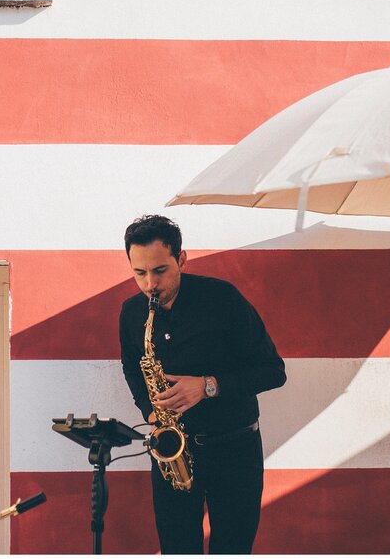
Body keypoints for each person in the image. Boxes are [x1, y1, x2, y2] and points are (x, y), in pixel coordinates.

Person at [118, 214, 286, 554]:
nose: (150, 284)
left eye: (160, 270)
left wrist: (208, 385)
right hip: (172, 453)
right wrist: (150, 411)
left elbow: (273, 370)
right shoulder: (132, 313)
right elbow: (132, 367)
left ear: (181, 259)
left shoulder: (223, 300)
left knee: (232, 549)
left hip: (234, 450)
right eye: (140, 273)